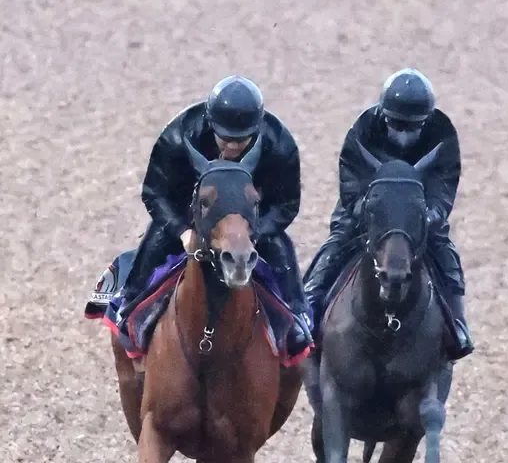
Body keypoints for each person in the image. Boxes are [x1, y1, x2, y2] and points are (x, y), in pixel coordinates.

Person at [117, 74, 312, 352]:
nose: (232, 146)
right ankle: (129, 304)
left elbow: (287, 204)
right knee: (154, 244)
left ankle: (297, 314)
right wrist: (182, 232)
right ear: (211, 125)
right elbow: (155, 192)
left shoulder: (279, 144)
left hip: (250, 223)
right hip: (189, 215)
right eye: (226, 139)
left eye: (241, 140)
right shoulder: (177, 136)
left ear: (256, 129)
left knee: (283, 252)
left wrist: (254, 234)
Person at [303, 68, 474, 360]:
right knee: (335, 246)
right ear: (384, 116)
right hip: (367, 212)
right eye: (396, 125)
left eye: (412, 127)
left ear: (426, 120)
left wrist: (430, 215)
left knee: (445, 254)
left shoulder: (442, 136)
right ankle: (310, 309)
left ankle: (457, 323)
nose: (403, 134)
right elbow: (351, 182)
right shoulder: (362, 130)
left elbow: (444, 186)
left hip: (417, 216)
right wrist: (368, 212)